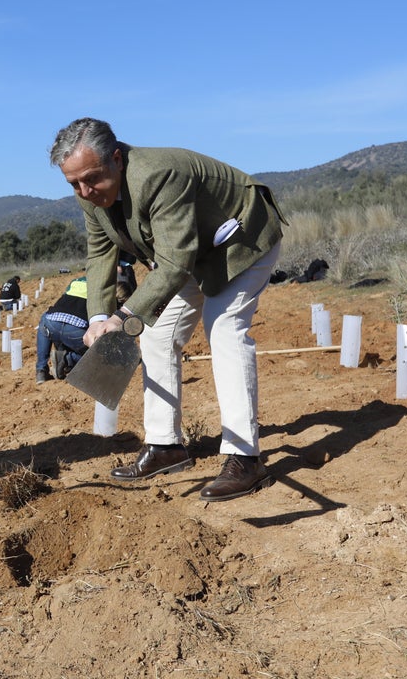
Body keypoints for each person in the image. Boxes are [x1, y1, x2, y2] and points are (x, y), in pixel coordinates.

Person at [49, 117, 284, 502]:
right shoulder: (88, 190)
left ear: (117, 159)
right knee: (156, 333)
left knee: (223, 326)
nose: (85, 191)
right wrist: (97, 318)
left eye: (91, 178)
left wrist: (123, 317)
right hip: (189, 251)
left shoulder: (160, 175)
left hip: (240, 237)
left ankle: (245, 458)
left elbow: (174, 264)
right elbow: (100, 252)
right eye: (74, 183)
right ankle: (165, 446)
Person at [35, 276, 90, 384]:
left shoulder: (76, 281)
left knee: (44, 320)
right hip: (76, 329)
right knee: (97, 357)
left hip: (52, 321)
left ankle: (41, 370)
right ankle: (68, 359)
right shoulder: (102, 285)